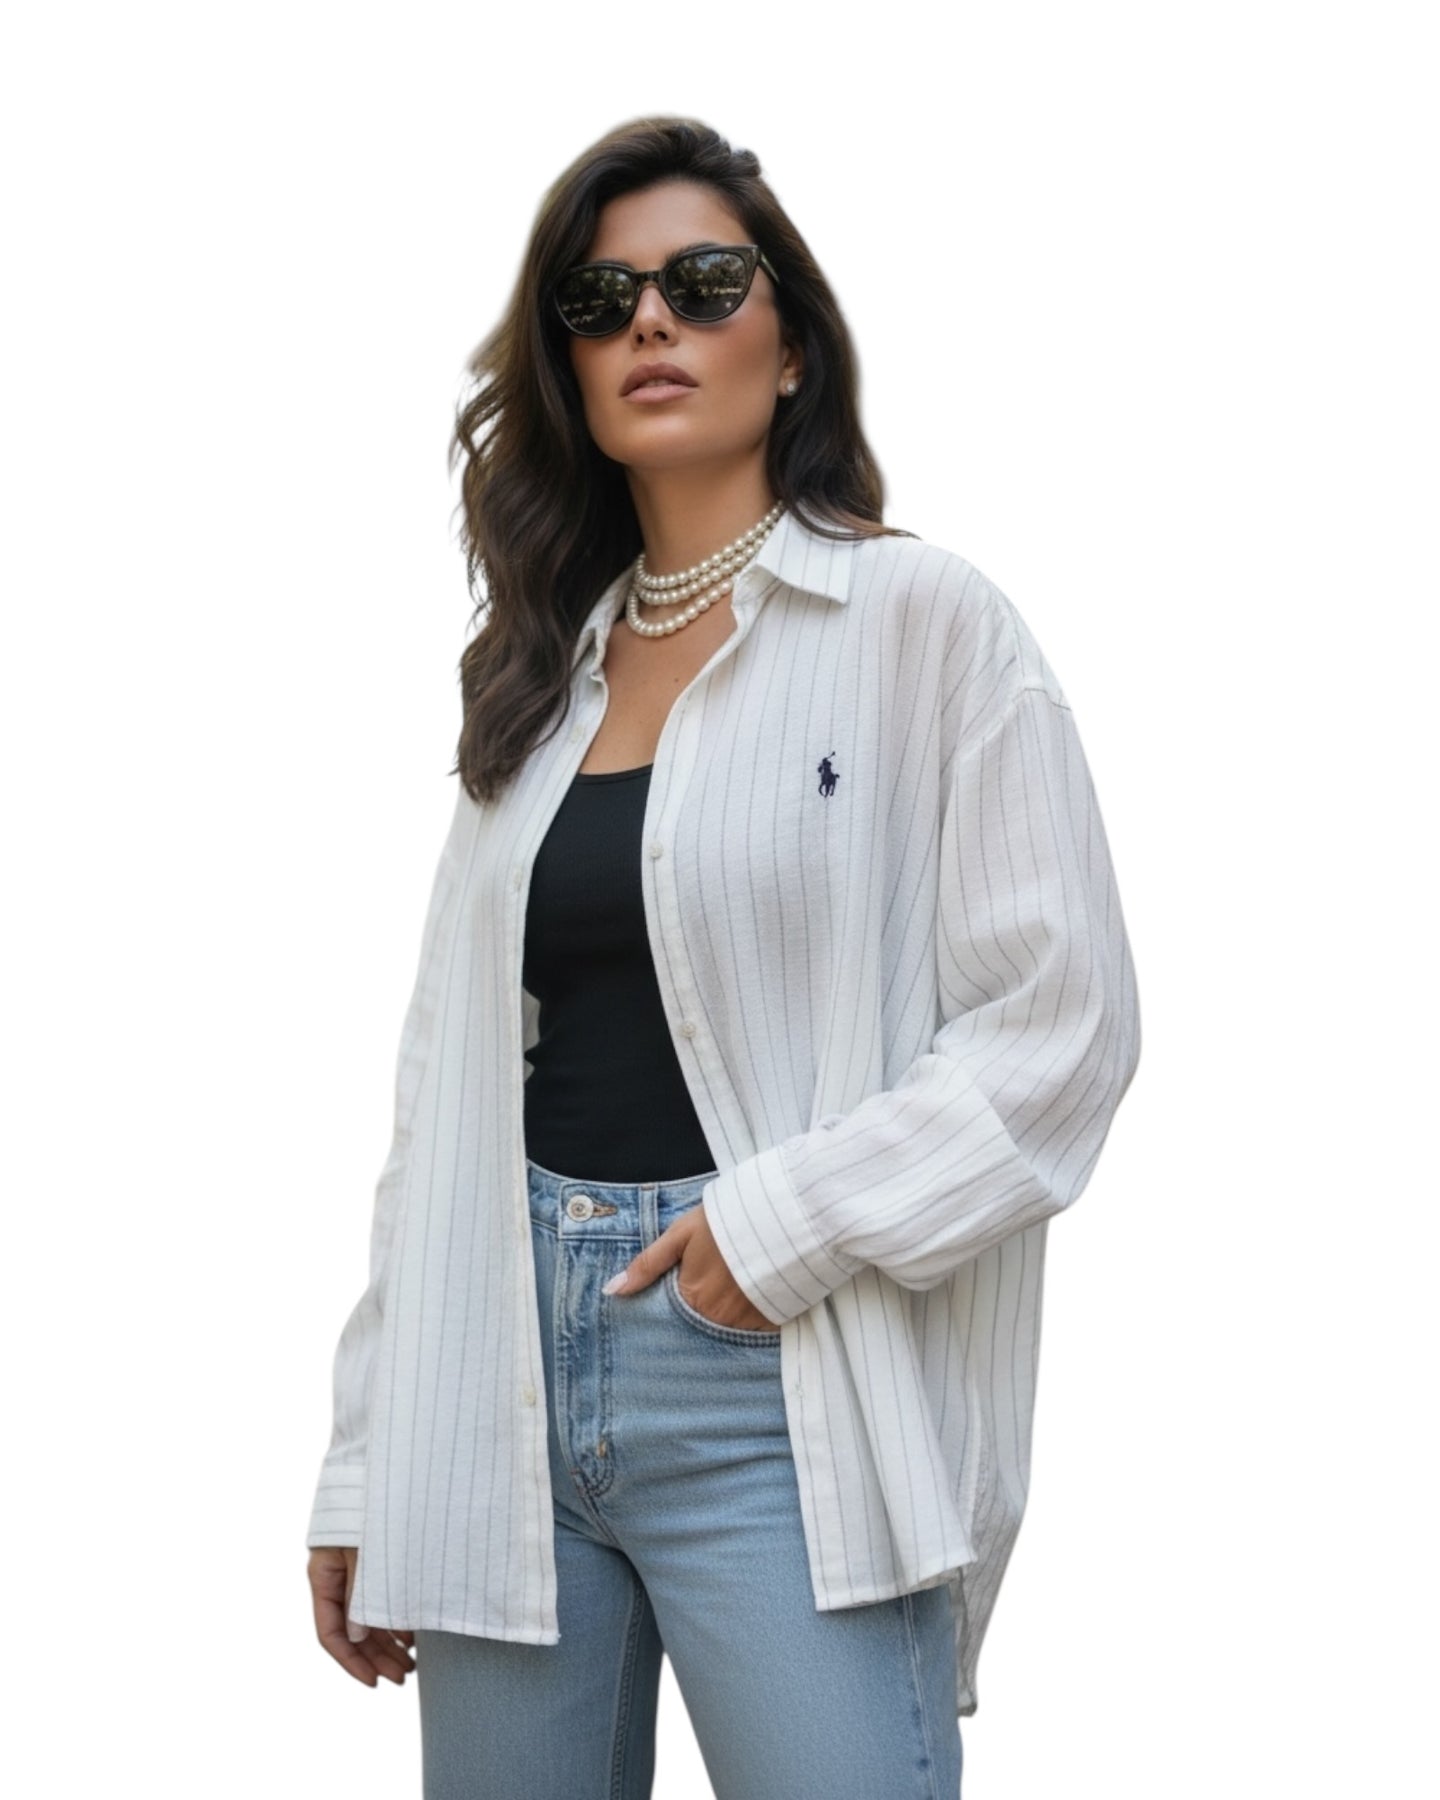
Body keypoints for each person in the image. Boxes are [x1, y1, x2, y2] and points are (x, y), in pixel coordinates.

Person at [305, 114, 1141, 1800]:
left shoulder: (923, 628)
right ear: (567, 365)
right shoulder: (538, 683)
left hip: (775, 1375)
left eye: (700, 282)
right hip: (497, 1386)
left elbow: (1061, 1024)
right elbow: (440, 1094)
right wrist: (372, 1455)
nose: (649, 322)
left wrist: (778, 1232)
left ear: (792, 342)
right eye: (598, 299)